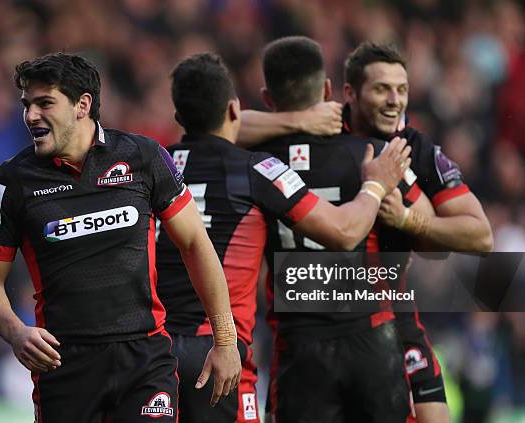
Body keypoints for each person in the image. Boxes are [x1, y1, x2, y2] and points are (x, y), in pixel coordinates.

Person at [0, 52, 241, 423]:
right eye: (27, 105)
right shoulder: (10, 181)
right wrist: (15, 332)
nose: (31, 115)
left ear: (82, 105)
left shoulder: (143, 157)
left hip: (145, 360)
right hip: (64, 366)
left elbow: (195, 244)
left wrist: (225, 341)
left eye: (45, 103)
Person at [156, 52, 411, 423]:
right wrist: (374, 185)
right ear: (234, 109)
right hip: (221, 352)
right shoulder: (259, 167)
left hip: (153, 352)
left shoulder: (151, 165)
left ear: (179, 118)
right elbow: (343, 231)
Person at [241, 36, 417, 423]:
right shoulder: (370, 154)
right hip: (371, 335)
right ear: (327, 90)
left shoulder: (255, 164)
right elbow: (419, 234)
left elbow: (221, 129)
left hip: (299, 346)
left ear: (268, 98)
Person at [343, 41, 493, 423]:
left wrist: (411, 220)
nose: (395, 101)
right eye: (381, 89)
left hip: (394, 317)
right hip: (318, 316)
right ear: (350, 94)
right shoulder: (316, 135)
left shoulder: (414, 146)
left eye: (402, 90)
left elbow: (481, 236)